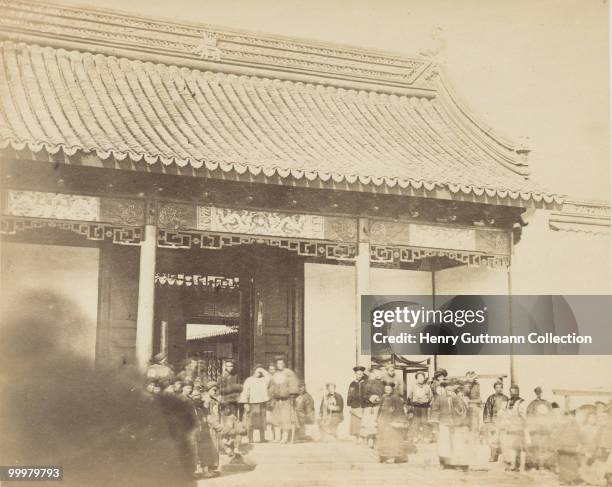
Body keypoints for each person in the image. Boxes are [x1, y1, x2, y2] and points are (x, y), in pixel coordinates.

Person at [436, 381, 470, 471]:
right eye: (447, 389)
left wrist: (458, 402)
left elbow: (462, 411)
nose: (449, 391)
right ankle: (444, 463)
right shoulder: (440, 398)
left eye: (451, 390)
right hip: (444, 423)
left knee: (457, 443)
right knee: (444, 444)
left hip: (456, 424)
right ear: (444, 389)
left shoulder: (457, 399)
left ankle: (457, 463)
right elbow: (435, 410)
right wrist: (435, 423)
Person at [268, 356, 299, 443]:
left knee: (286, 419)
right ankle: (277, 437)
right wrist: (272, 396)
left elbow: (293, 385)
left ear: (284, 364)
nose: (280, 365)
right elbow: (271, 386)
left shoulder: (289, 373)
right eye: (278, 363)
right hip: (277, 401)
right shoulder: (276, 374)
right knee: (276, 419)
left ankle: (284, 438)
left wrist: (292, 396)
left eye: (281, 363)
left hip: (287, 400)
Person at [376, 381, 409, 464]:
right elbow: (380, 409)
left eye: (389, 388)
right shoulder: (383, 397)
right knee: (383, 439)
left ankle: (396, 457)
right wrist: (377, 419)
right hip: (383, 422)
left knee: (393, 439)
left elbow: (400, 411)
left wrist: (397, 421)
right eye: (386, 388)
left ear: (392, 389)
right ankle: (383, 457)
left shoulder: (396, 398)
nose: (387, 390)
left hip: (392, 422)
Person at [239, 364, 271, 443]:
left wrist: (262, 370)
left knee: (262, 421)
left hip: (262, 403)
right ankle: (250, 438)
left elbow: (270, 378)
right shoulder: (249, 380)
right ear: (254, 371)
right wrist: (245, 403)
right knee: (251, 422)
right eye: (257, 371)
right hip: (252, 403)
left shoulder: (264, 379)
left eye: (260, 371)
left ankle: (262, 438)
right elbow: (245, 392)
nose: (258, 373)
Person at [499, 384, 527, 472]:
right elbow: (503, 413)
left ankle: (518, 466)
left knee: (518, 447)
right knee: (509, 447)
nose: (512, 393)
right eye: (511, 391)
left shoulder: (521, 402)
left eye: (514, 391)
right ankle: (512, 464)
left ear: (518, 392)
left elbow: (523, 416)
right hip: (509, 428)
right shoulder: (507, 402)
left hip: (518, 428)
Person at [198, 381, 222, 478]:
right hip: (207, 428)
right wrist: (216, 425)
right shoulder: (206, 400)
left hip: (214, 428)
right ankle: (205, 470)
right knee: (207, 449)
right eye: (213, 390)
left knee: (214, 448)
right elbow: (207, 415)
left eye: (216, 390)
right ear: (208, 390)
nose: (215, 392)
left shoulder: (214, 400)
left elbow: (216, 414)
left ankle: (212, 468)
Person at [525, 386, 553, 471]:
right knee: (535, 447)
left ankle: (542, 465)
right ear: (535, 393)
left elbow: (551, 416)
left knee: (544, 447)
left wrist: (548, 427)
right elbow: (529, 416)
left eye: (540, 392)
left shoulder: (548, 404)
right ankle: (535, 465)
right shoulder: (532, 404)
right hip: (535, 430)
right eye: (537, 392)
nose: (539, 394)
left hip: (544, 430)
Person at [483, 380, 509, 462]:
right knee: (494, 440)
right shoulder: (491, 398)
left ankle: (505, 458)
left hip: (504, 421)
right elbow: (487, 410)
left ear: (502, 388)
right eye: (497, 387)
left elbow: (508, 410)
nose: (499, 389)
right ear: (494, 388)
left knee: (504, 440)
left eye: (500, 387)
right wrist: (488, 423)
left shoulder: (506, 398)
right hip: (494, 421)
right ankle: (493, 457)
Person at [360, 364, 384, 448]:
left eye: (380, 372)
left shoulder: (381, 383)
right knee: (369, 424)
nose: (380, 374)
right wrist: (370, 398)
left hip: (378, 406)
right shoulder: (365, 383)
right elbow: (363, 395)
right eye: (378, 372)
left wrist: (379, 398)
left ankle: (376, 440)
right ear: (372, 373)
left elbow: (383, 394)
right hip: (369, 407)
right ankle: (369, 440)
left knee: (377, 424)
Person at [408, 371, 432, 443]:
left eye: (422, 377)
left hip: (424, 406)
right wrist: (414, 401)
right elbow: (410, 396)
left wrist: (426, 400)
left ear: (424, 378)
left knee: (425, 421)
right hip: (416, 406)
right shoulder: (413, 386)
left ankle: (426, 437)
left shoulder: (427, 386)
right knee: (416, 421)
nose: (420, 379)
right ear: (417, 379)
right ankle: (415, 436)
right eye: (419, 377)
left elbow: (430, 396)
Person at [347, 365, 368, 442]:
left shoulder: (365, 383)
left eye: (360, 374)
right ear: (355, 374)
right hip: (355, 405)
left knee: (363, 421)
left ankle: (362, 437)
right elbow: (349, 394)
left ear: (362, 374)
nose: (359, 376)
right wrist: (349, 405)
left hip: (363, 405)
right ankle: (357, 437)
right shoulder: (352, 384)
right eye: (357, 374)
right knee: (356, 422)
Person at [464, 371, 482, 435]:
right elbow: (465, 395)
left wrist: (477, 401)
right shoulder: (465, 385)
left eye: (473, 377)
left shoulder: (477, 384)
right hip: (469, 408)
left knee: (477, 425)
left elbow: (479, 399)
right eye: (470, 377)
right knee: (471, 426)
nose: (473, 378)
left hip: (476, 407)